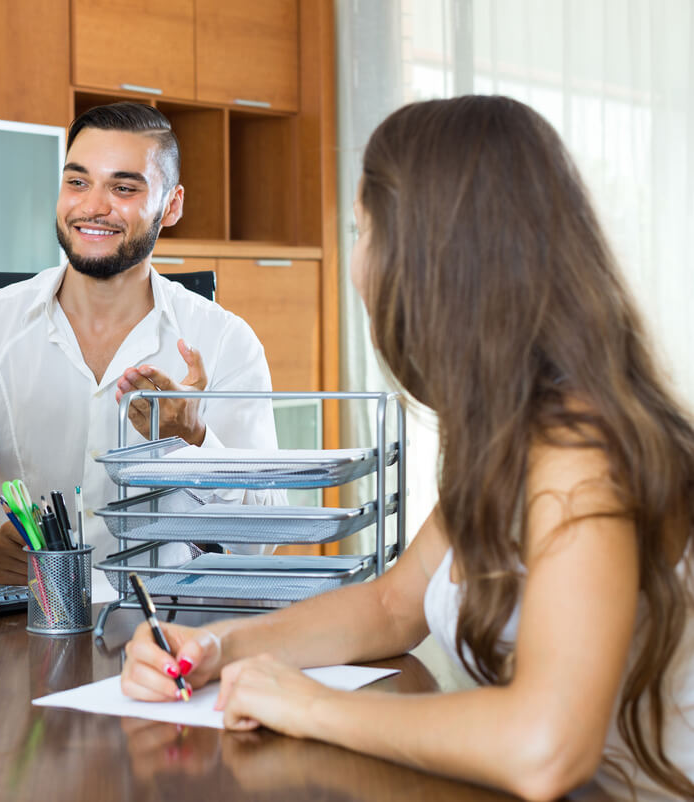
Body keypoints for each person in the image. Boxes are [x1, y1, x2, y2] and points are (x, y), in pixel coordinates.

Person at [120, 95, 694, 801]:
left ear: (428, 260)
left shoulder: (583, 456)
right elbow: (394, 605)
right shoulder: (514, 427)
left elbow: (547, 747)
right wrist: (216, 649)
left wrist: (305, 705)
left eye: (362, 231)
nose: (356, 263)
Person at [0, 102, 281, 585]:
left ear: (171, 205)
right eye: (77, 182)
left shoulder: (225, 342)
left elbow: (260, 537)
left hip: (167, 626)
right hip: (24, 622)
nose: (93, 206)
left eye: (124, 187)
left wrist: (193, 442)